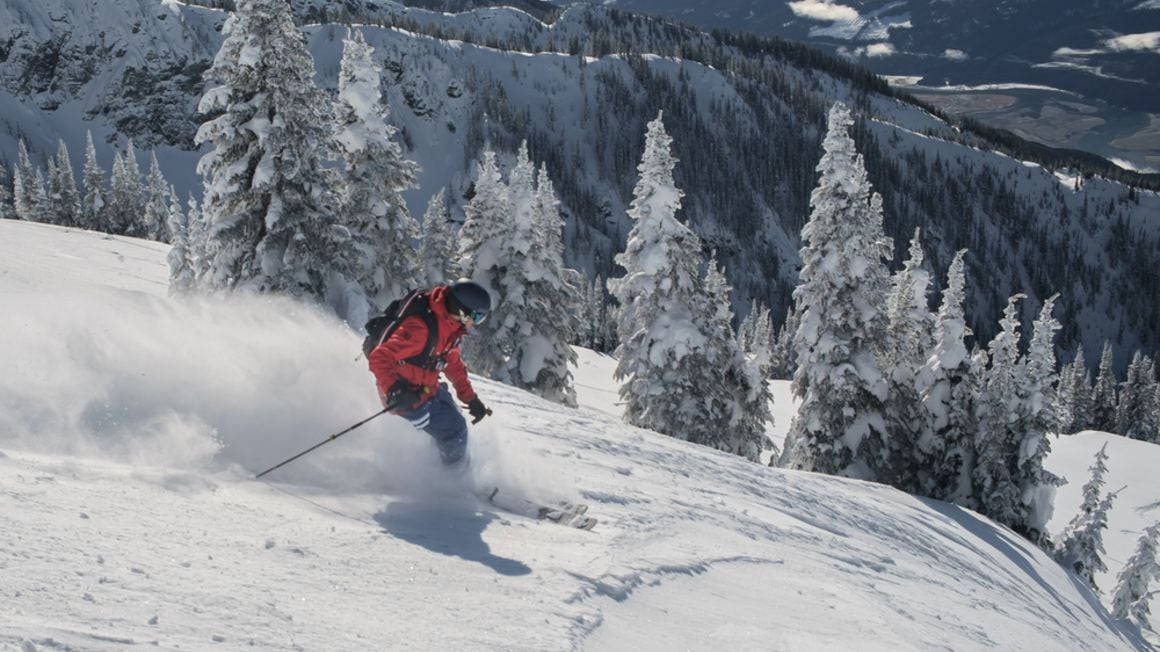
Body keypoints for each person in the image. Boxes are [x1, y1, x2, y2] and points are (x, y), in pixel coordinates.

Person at [367, 280, 492, 468]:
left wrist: (470, 399)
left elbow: (453, 364)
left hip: (426, 386)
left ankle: (441, 466)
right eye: (478, 317)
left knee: (452, 415)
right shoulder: (421, 330)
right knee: (454, 430)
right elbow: (379, 357)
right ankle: (454, 480)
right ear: (462, 312)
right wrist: (395, 389)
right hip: (404, 396)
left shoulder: (449, 328)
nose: (476, 323)